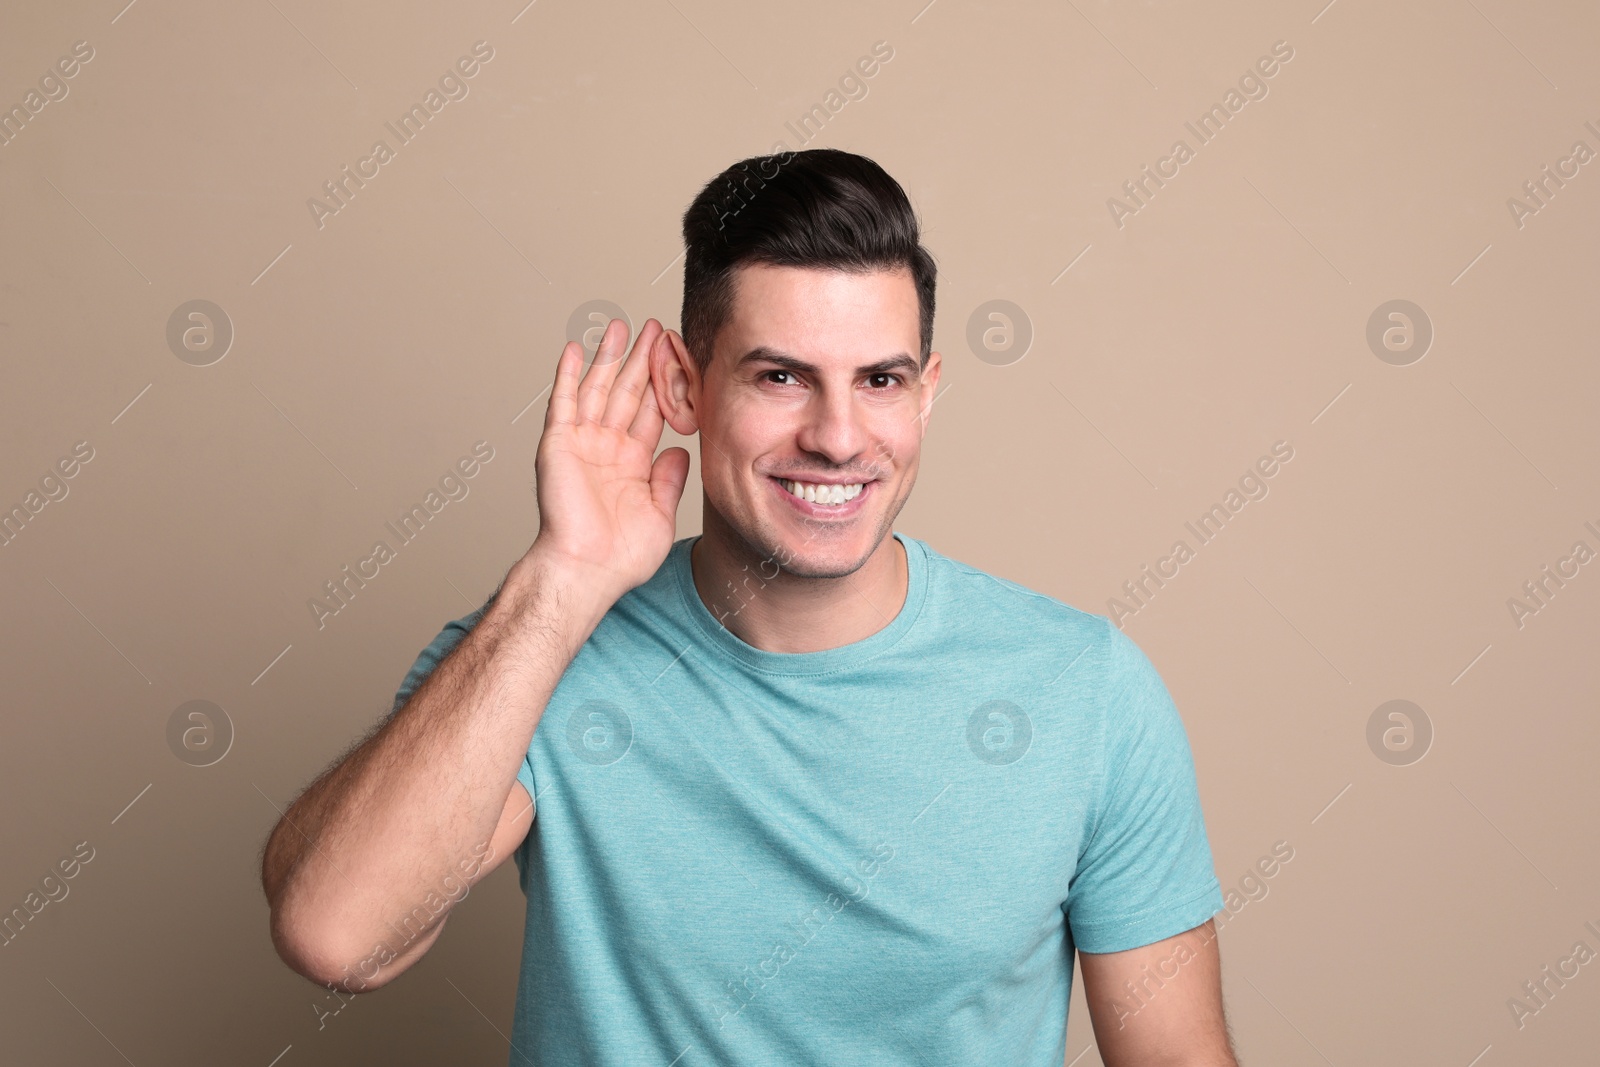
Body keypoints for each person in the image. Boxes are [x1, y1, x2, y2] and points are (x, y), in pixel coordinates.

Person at [261, 147, 1239, 1066]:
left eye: (880, 381)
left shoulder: (1083, 688)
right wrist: (565, 575)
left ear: (926, 394)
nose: (837, 435)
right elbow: (337, 936)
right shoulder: (538, 652)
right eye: (780, 376)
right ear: (685, 388)